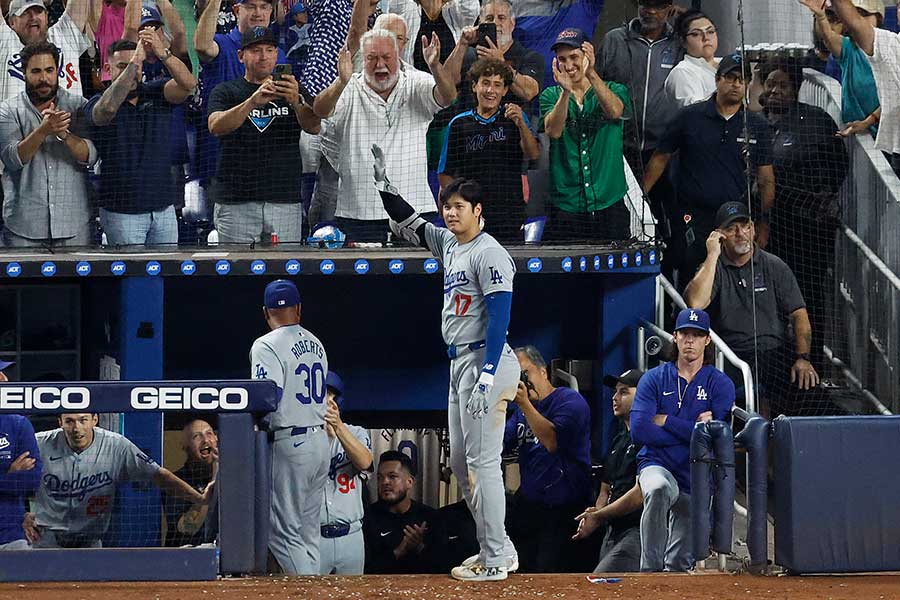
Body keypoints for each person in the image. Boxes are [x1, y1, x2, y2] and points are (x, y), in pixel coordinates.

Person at [372, 146, 519, 581]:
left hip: (486, 360)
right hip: (461, 365)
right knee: (460, 466)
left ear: (478, 210)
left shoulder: (488, 252)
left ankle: (494, 559)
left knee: (482, 464)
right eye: (446, 207)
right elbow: (412, 223)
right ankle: (501, 546)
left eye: (458, 207)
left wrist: (488, 374)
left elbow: (501, 317)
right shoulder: (450, 244)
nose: (450, 214)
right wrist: (384, 187)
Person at [312, 30, 457, 242]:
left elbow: (448, 97)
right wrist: (341, 82)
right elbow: (320, 110)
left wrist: (435, 66)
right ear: (363, 59)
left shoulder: (416, 83)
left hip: (414, 210)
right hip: (359, 213)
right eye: (372, 58)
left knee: (418, 275)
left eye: (386, 57)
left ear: (398, 55)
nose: (380, 64)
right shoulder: (350, 86)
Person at [643, 54, 775, 285]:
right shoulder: (689, 117)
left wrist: (763, 224)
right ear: (717, 80)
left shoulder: (757, 126)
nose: (735, 84)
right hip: (691, 215)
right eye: (730, 77)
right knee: (691, 272)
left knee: (733, 276)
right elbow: (660, 158)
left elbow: (766, 179)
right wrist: (640, 196)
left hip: (736, 218)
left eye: (742, 79)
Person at [685, 203, 820, 416]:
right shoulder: (714, 268)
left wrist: (803, 358)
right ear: (719, 236)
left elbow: (798, 314)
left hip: (774, 354)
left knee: (809, 387)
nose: (740, 233)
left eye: (745, 226)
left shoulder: (775, 266)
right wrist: (712, 256)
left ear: (753, 229)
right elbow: (694, 303)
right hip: (731, 355)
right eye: (731, 229)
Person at [756, 60, 847, 370]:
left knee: (807, 296)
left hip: (808, 232)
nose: (775, 90)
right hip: (769, 229)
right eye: (770, 83)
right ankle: (776, 366)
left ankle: (811, 365)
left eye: (783, 85)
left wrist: (820, 200)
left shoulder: (816, 122)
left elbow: (838, 165)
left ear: (795, 89)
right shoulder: (755, 124)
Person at [630, 308, 736, 572]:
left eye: (697, 335)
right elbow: (639, 431)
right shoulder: (653, 378)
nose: (690, 340)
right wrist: (694, 430)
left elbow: (715, 439)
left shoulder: (720, 383)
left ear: (707, 340)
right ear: (675, 337)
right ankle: (649, 573)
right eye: (685, 333)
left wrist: (667, 420)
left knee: (679, 565)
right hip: (657, 464)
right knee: (656, 489)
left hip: (696, 476)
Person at [25, 413, 212, 549]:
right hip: (47, 537)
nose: (77, 428)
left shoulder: (116, 445)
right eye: (70, 422)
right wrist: (23, 513)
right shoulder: (38, 443)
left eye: (83, 420)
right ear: (60, 422)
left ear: (94, 420)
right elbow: (12, 478)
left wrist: (199, 498)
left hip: (90, 539)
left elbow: (159, 475)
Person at [250, 279, 330, 575]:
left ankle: (309, 594)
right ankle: (317, 588)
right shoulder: (316, 342)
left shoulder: (265, 344)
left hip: (290, 442)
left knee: (281, 533)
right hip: (320, 440)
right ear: (298, 309)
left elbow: (269, 396)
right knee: (308, 532)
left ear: (265, 312)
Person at [86, 35, 196, 247]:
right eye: (122, 66)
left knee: (164, 274)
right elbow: (106, 110)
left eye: (137, 65)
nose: (133, 70)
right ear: (108, 69)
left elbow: (188, 85)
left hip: (163, 210)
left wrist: (163, 53)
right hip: (121, 213)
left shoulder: (156, 92)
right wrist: (136, 59)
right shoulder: (97, 103)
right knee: (131, 276)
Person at [207, 26, 311, 245]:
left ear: (277, 54)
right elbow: (215, 126)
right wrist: (252, 102)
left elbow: (314, 127)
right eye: (255, 50)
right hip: (236, 202)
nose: (263, 56)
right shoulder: (226, 91)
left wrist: (296, 102)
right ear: (241, 56)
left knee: (285, 270)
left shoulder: (292, 90)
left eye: (270, 49)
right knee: (235, 272)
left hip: (284, 200)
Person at [0, 41, 97, 248]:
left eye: (49, 70)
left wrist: (64, 135)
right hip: (23, 227)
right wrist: (44, 130)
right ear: (23, 72)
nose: (44, 78)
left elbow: (90, 156)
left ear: (58, 71)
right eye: (36, 71)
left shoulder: (78, 105)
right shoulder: (8, 110)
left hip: (75, 225)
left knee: (79, 281)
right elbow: (12, 159)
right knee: (21, 282)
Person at [503, 345, 591, 573]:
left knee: (549, 574)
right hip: (531, 507)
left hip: (563, 510)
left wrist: (524, 403)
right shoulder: (520, 413)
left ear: (543, 371)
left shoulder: (570, 401)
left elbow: (552, 440)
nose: (523, 381)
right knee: (519, 570)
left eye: (526, 373)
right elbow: (501, 443)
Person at [540, 28, 631, 242]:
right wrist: (565, 92)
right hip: (566, 205)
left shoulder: (614, 89)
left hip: (609, 201)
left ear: (588, 56)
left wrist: (591, 74)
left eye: (574, 57)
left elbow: (615, 111)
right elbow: (553, 131)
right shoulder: (550, 94)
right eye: (562, 59)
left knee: (612, 272)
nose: (569, 65)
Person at [598, 0, 683, 224]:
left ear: (670, 7)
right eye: (646, 4)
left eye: (659, 6)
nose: (651, 11)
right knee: (623, 218)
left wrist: (685, 19)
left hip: (665, 152)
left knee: (667, 220)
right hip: (619, 150)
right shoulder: (614, 40)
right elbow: (595, 88)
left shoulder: (679, 42)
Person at [438, 57, 540, 243]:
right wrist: (462, 209)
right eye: (485, 83)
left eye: (497, 85)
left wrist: (521, 125)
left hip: (509, 216)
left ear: (505, 90)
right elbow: (445, 175)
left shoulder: (514, 117)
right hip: (472, 220)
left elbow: (533, 154)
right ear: (474, 86)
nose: (490, 90)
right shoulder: (459, 124)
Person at [572, 368, 645, 573]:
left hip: (637, 532)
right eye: (615, 392)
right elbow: (606, 488)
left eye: (624, 392)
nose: (615, 398)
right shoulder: (619, 438)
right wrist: (596, 513)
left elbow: (639, 495)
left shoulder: (649, 437)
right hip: (612, 530)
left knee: (600, 585)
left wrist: (600, 515)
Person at [800, 0, 881, 139]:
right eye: (853, 15)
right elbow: (828, 37)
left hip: (888, 136)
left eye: (863, 14)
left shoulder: (890, 47)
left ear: (878, 18)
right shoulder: (849, 48)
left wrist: (869, 121)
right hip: (860, 137)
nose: (857, 21)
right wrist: (821, 16)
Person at [319, 371, 373, 575]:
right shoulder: (304, 437)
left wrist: (338, 427)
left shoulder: (356, 432)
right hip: (315, 537)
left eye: (333, 396)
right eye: (325, 396)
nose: (329, 402)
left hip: (350, 535)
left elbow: (365, 462)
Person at [448, 0, 544, 113]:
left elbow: (529, 92)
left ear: (512, 24)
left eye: (501, 18)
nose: (495, 23)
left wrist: (501, 63)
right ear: (480, 23)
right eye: (489, 18)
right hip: (468, 126)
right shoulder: (467, 54)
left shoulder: (530, 57)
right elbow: (446, 83)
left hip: (511, 126)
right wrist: (462, 44)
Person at [363, 450, 442, 574]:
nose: (384, 482)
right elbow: (365, 570)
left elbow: (440, 568)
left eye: (392, 476)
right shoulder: (367, 518)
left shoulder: (429, 517)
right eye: (380, 477)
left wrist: (419, 547)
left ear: (409, 482)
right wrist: (399, 551)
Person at [0, 0, 94, 100]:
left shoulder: (64, 36)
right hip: (17, 115)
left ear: (46, 16)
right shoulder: (5, 42)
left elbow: (79, 4)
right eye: (25, 13)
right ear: (12, 22)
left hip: (70, 114)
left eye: (38, 11)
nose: (33, 17)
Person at [0, 359, 41, 551]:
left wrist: (10, 477)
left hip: (11, 534)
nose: (4, 378)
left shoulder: (18, 424)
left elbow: (31, 481)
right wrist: (9, 474)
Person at [163, 419, 219, 547]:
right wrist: (213, 481)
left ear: (216, 440)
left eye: (209, 434)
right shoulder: (174, 481)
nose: (205, 440)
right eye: (197, 436)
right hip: (185, 558)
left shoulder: (232, 477)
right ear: (186, 447)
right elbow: (188, 528)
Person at [386, 0, 478, 71]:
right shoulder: (405, 8)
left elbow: (471, 8)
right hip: (415, 87)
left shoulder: (458, 10)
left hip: (453, 87)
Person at [664, 9, 719, 109]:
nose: (706, 37)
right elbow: (695, 113)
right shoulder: (682, 72)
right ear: (683, 41)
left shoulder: (727, 64)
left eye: (710, 31)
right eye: (696, 34)